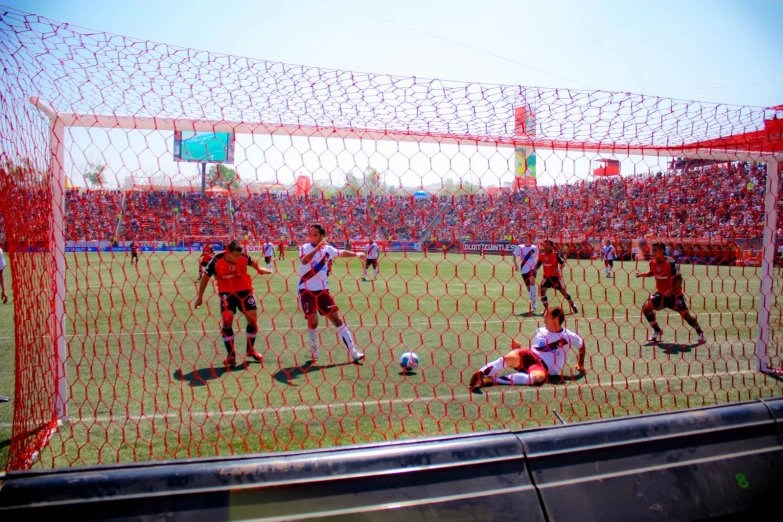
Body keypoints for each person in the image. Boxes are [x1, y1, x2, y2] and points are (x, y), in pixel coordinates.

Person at [194, 239, 272, 366]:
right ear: (227, 252)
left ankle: (250, 350)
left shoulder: (244, 257)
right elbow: (205, 278)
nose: (237, 259)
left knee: (252, 319)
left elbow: (255, 265)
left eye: (239, 256)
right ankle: (231, 356)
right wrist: (200, 296)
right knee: (227, 320)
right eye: (235, 256)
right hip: (227, 294)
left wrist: (260, 270)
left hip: (245, 291)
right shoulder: (216, 261)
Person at [469, 307, 585, 389]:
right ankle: (480, 373)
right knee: (507, 358)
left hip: (541, 367)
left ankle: (491, 380)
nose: (543, 319)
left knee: (538, 378)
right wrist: (520, 348)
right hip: (529, 355)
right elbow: (536, 351)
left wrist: (580, 364)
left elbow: (581, 345)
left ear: (555, 319)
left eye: (546, 317)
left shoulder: (568, 336)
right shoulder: (540, 331)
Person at [299, 223, 366, 363]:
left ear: (322, 235)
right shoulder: (305, 248)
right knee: (314, 321)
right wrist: (318, 248)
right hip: (305, 289)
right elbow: (304, 260)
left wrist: (357, 254)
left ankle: (353, 352)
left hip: (322, 290)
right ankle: (314, 347)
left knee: (337, 319)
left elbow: (341, 252)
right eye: (311, 234)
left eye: (315, 235)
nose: (312, 237)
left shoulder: (328, 250)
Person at [636, 242, 705, 344]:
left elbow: (679, 280)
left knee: (686, 316)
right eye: (651, 250)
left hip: (675, 295)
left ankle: (700, 333)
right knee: (646, 308)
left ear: (662, 251)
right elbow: (652, 272)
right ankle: (657, 331)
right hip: (661, 294)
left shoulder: (671, 262)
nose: (652, 252)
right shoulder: (652, 262)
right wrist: (642, 275)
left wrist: (670, 290)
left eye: (654, 250)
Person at [535, 240, 579, 314]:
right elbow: (538, 265)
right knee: (542, 292)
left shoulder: (555, 255)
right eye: (545, 245)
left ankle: (572, 304)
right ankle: (547, 309)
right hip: (546, 277)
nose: (545, 247)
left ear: (551, 246)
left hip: (555, 277)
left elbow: (562, 263)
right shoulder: (542, 255)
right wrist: (533, 270)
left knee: (564, 292)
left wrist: (559, 269)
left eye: (548, 245)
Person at [512, 232, 538, 314]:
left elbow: (539, 257)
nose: (525, 239)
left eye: (526, 237)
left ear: (530, 238)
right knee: (528, 287)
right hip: (523, 269)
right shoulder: (520, 247)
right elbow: (514, 256)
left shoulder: (534, 248)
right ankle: (533, 300)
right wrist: (515, 265)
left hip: (532, 268)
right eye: (524, 237)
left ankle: (534, 303)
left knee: (532, 281)